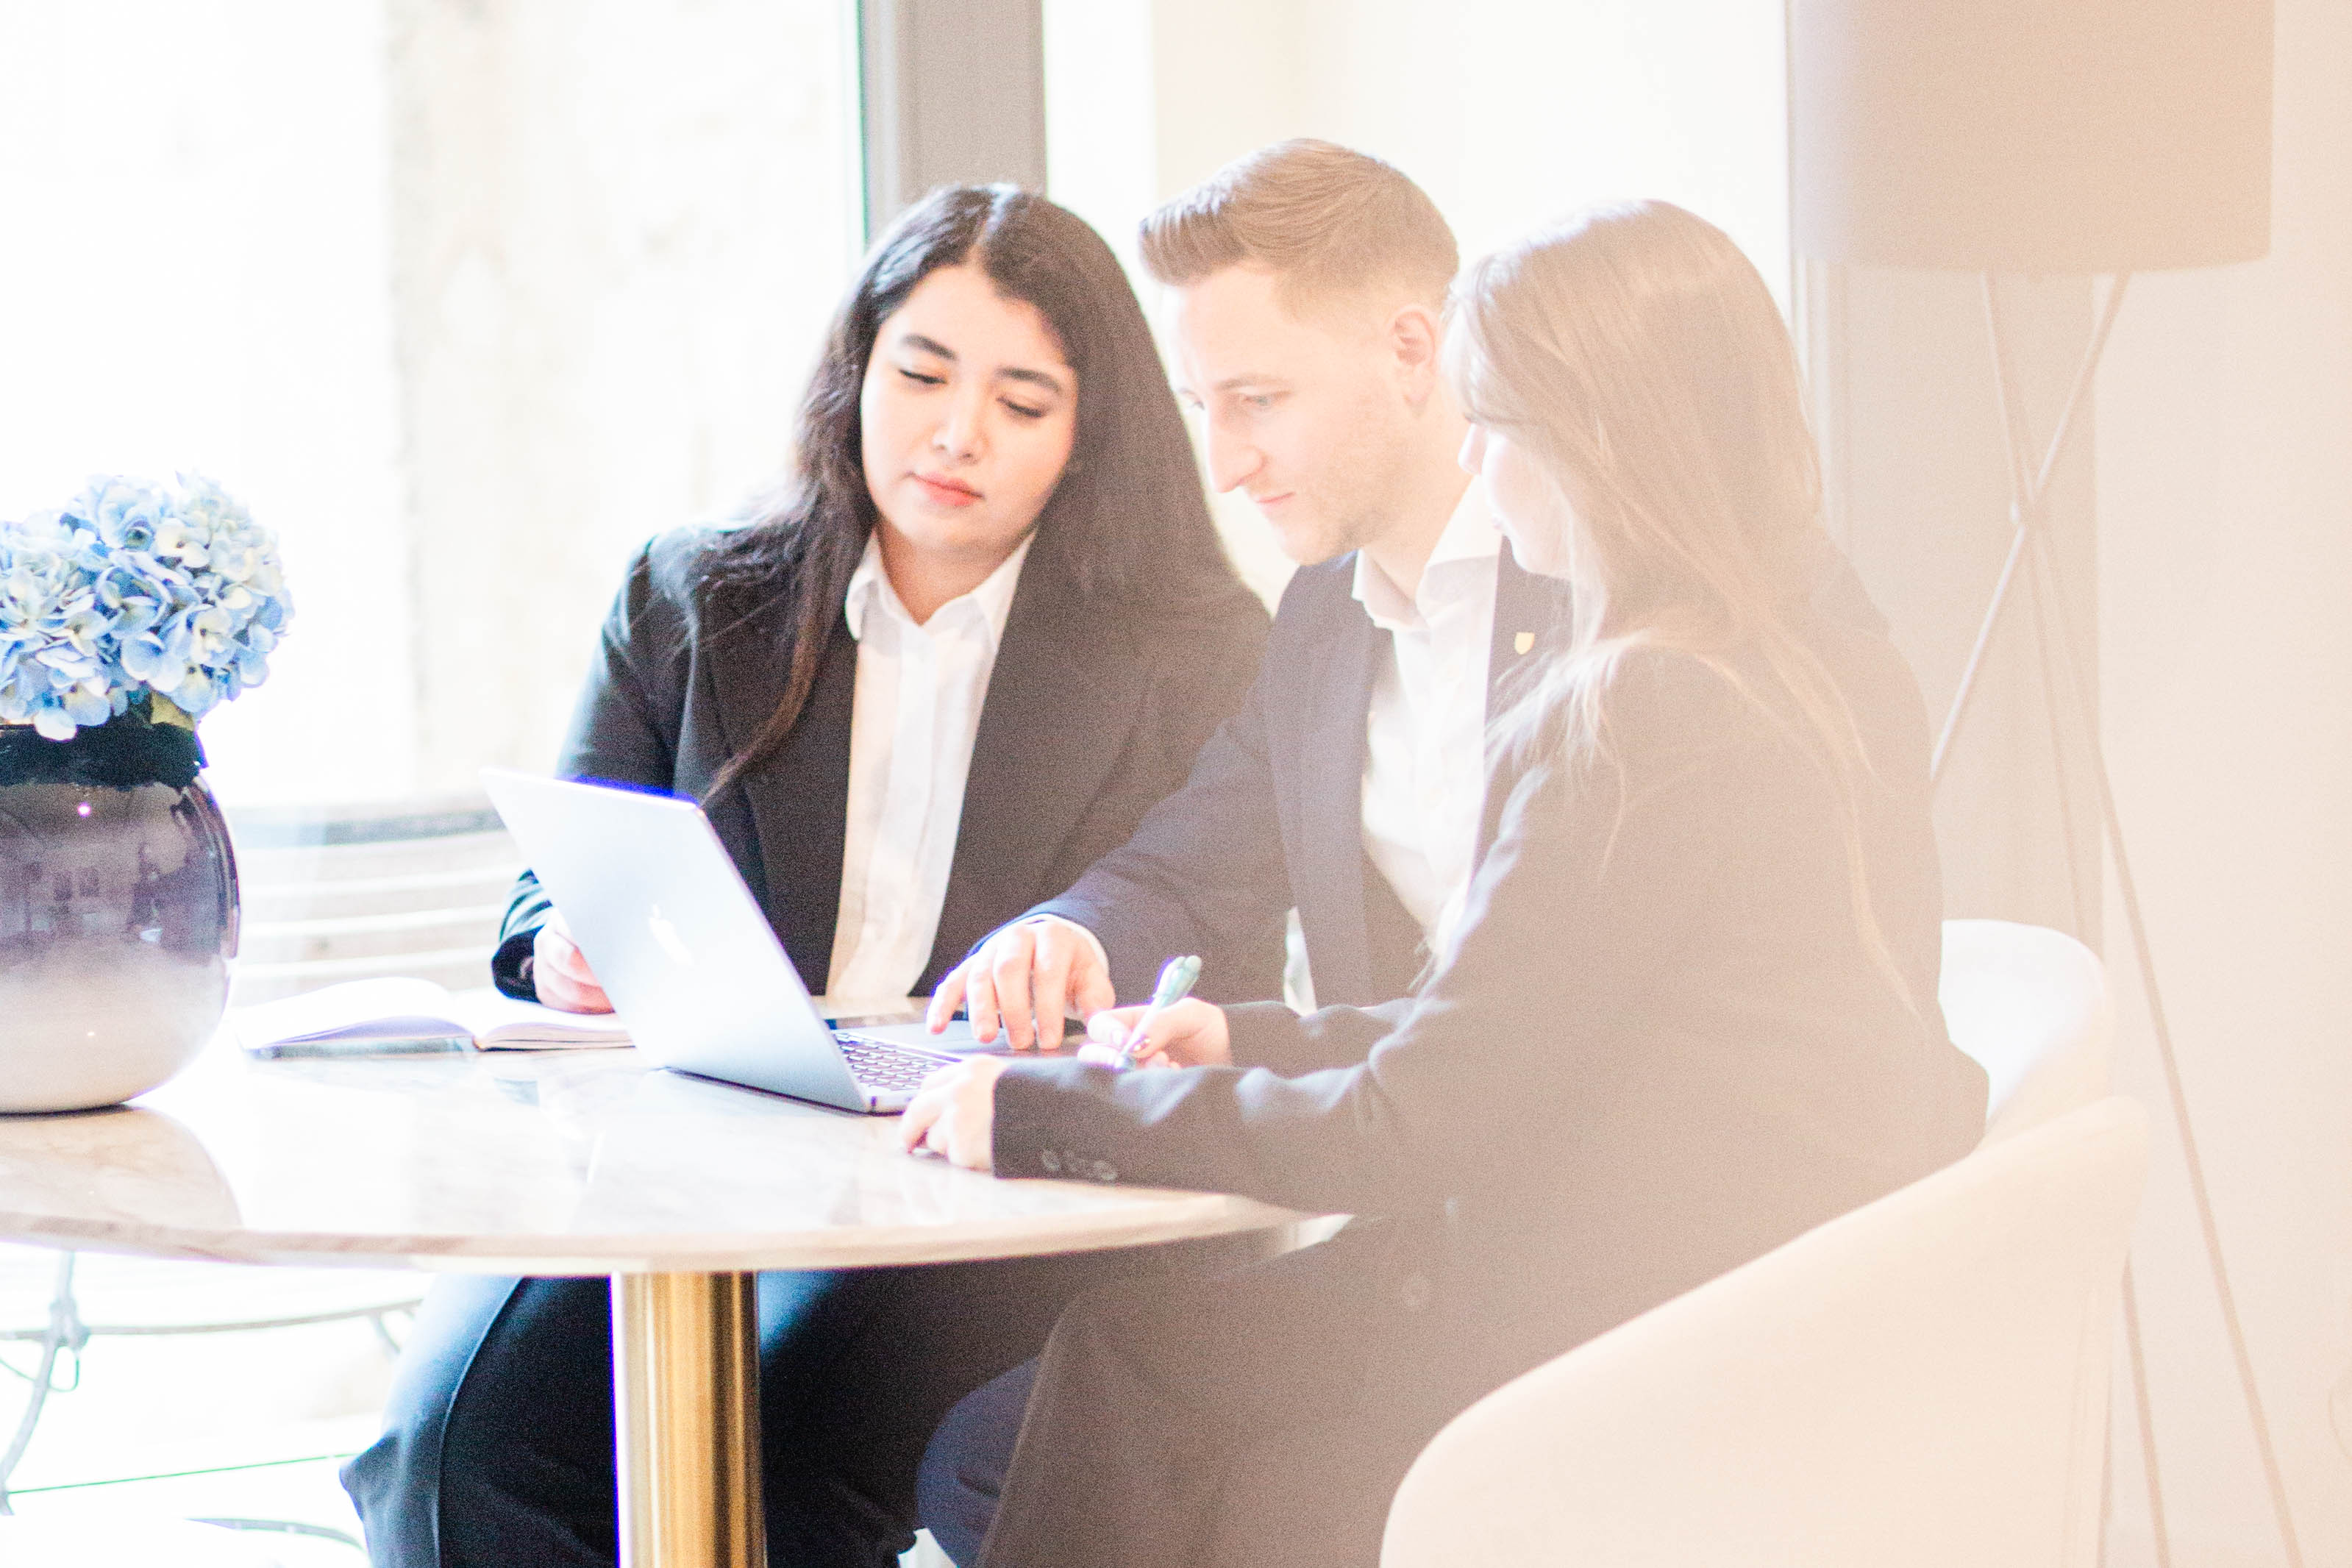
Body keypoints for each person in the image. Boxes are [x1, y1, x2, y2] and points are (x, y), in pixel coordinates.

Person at [901, 201, 1992, 1568]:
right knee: (1131, 1382)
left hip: (1619, 1323)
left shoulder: (1634, 714)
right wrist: (1249, 1036)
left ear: (1602, 445)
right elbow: (1532, 1022)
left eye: (1501, 425)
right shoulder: (1774, 658)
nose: (1473, 457)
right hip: (1719, 1282)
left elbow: (1423, 1116)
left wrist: (1045, 1111)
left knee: (1143, 1396)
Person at [340, 185, 1271, 1568]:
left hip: (979, 1164)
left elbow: (1205, 906)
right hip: (693, 1131)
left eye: (1020, 402)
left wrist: (1075, 959)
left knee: (769, 1448)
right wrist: (566, 947)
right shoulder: (693, 595)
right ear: (856, 373)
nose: (956, 434)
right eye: (921, 375)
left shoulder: (1188, 649)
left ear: (1087, 434)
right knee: (451, 1453)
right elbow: (559, 874)